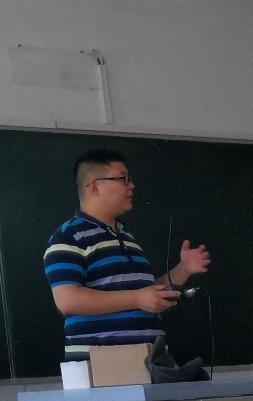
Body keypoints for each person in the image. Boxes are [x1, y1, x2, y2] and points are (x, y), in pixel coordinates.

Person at [42, 148, 210, 362]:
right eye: (123, 179)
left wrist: (184, 268)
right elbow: (68, 300)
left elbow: (147, 294)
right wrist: (137, 298)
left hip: (148, 360)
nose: (132, 186)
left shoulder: (127, 238)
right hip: (100, 364)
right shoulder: (70, 236)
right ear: (95, 186)